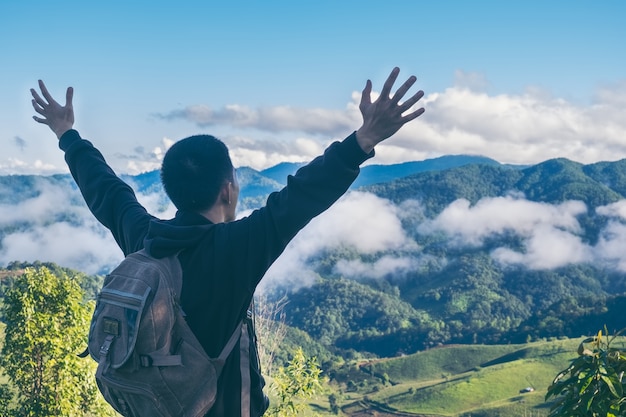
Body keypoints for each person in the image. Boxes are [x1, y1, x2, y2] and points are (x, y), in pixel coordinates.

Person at [30, 67, 425, 416]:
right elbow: (301, 196)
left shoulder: (144, 239)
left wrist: (67, 133)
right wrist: (366, 137)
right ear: (227, 191)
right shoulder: (237, 248)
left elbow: (106, 190)